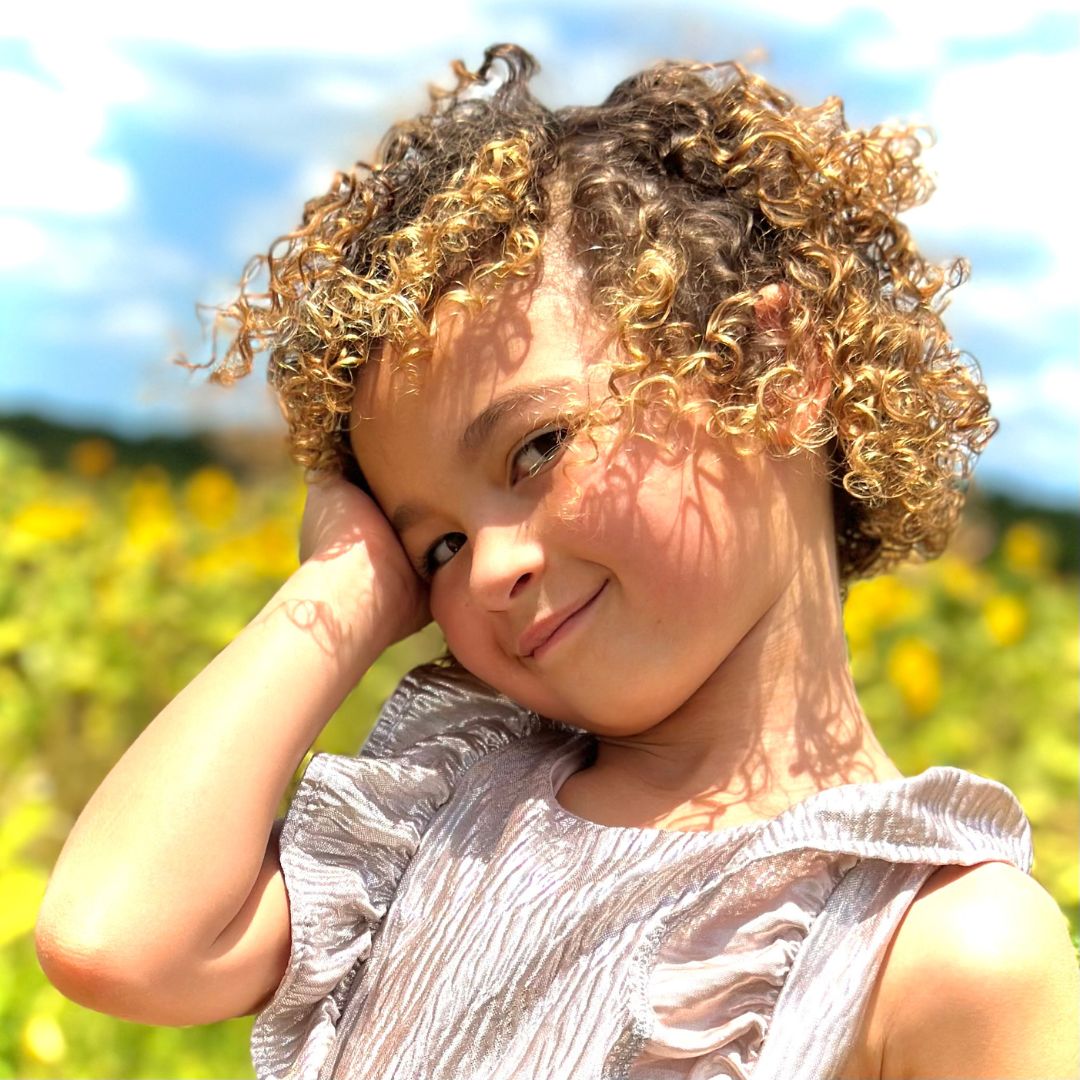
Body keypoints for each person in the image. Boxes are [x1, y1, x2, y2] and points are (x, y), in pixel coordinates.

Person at [36, 44, 1078, 1080]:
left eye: (537, 447)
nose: (485, 569)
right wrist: (343, 586)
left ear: (774, 366)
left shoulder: (937, 947)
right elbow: (113, 938)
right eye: (436, 545)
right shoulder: (452, 814)